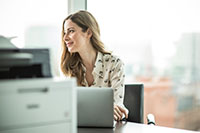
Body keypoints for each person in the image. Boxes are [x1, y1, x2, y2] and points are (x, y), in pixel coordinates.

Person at [60, 10, 128, 121]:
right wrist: (104, 109)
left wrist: (112, 109)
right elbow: (68, 109)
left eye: (71, 31)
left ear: (88, 33)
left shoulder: (114, 64)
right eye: (64, 32)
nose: (65, 38)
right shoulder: (69, 68)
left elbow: (117, 108)